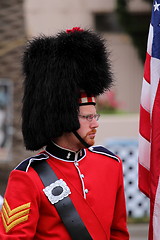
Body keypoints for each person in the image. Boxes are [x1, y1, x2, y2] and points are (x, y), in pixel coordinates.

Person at [0, 27, 129, 239]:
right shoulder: (27, 177)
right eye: (87, 117)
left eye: (95, 116)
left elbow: (118, 233)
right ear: (64, 118)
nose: (95, 124)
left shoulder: (110, 164)